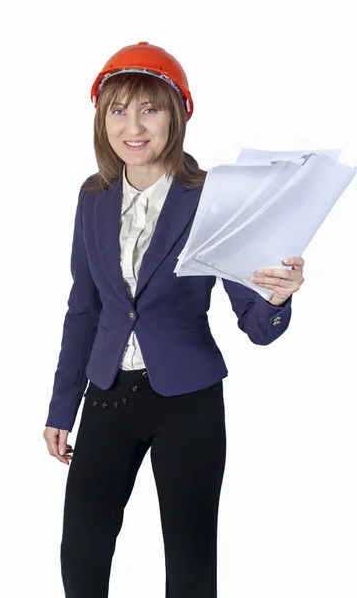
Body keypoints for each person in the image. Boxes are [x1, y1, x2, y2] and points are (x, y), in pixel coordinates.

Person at [43, 41, 305, 598]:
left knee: (189, 559)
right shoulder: (92, 198)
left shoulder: (212, 197)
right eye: (118, 109)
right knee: (82, 553)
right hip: (108, 394)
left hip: (189, 401)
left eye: (149, 108)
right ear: (101, 119)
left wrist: (277, 299)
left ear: (176, 114)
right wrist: (61, 407)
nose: (133, 125)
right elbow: (83, 307)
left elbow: (254, 322)